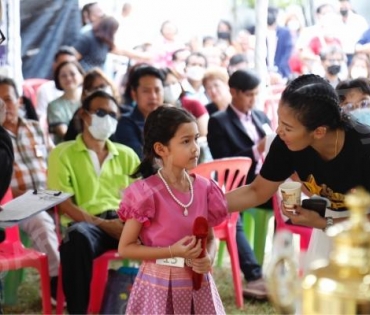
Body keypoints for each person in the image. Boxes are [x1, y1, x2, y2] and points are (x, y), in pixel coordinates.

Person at [226, 74, 370, 271]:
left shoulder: (364, 147)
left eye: (287, 127)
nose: (278, 131)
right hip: (331, 230)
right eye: (279, 122)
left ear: (319, 131)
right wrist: (204, 204)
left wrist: (325, 222)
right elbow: (256, 191)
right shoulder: (287, 143)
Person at [118, 106, 228, 314]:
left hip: (198, 284)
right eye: (186, 141)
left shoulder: (204, 188)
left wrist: (209, 258)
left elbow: (211, 239)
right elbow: (126, 248)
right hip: (158, 284)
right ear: (161, 149)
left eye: (196, 139)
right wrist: (172, 251)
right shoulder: (146, 193)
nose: (196, 148)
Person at [47, 90, 140, 314]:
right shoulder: (63, 153)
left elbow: (143, 200)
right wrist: (103, 224)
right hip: (90, 226)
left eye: (112, 114)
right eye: (100, 112)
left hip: (126, 223)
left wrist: (131, 225)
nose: (106, 119)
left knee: (168, 232)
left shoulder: (127, 155)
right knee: (75, 238)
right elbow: (64, 205)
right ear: (83, 114)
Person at [207, 69, 271, 299]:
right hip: (236, 184)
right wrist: (257, 149)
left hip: (266, 181)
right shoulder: (218, 121)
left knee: (290, 207)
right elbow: (222, 160)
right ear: (233, 92)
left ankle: (283, 268)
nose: (253, 100)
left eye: (256, 94)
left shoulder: (261, 117)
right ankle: (255, 276)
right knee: (232, 217)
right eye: (249, 95)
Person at [0, 77, 60, 304]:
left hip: (49, 195)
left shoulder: (35, 128)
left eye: (8, 99)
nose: (4, 105)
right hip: (16, 204)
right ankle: (56, 282)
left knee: (79, 218)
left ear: (19, 101)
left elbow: (53, 159)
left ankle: (74, 277)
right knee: (41, 223)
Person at [114, 65, 164, 159]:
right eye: (146, 91)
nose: (153, 96)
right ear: (134, 94)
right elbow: (140, 160)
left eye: (157, 90)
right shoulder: (125, 124)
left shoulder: (169, 120)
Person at [47, 60, 84, 144]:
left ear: (81, 76)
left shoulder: (89, 102)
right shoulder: (54, 105)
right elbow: (64, 133)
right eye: (63, 76)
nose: (68, 78)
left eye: (72, 74)